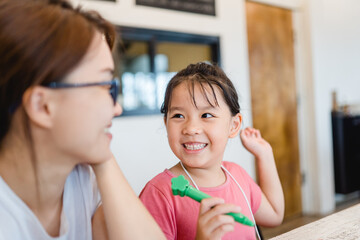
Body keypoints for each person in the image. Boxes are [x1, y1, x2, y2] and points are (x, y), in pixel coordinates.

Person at [0, 0, 165, 239]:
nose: (116, 107)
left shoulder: (80, 179)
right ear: (42, 106)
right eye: (104, 86)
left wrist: (102, 156)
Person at [140, 62, 284, 240]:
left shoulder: (237, 176)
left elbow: (275, 215)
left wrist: (265, 154)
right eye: (178, 116)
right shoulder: (158, 193)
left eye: (206, 115)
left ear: (234, 125)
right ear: (166, 123)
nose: (191, 128)